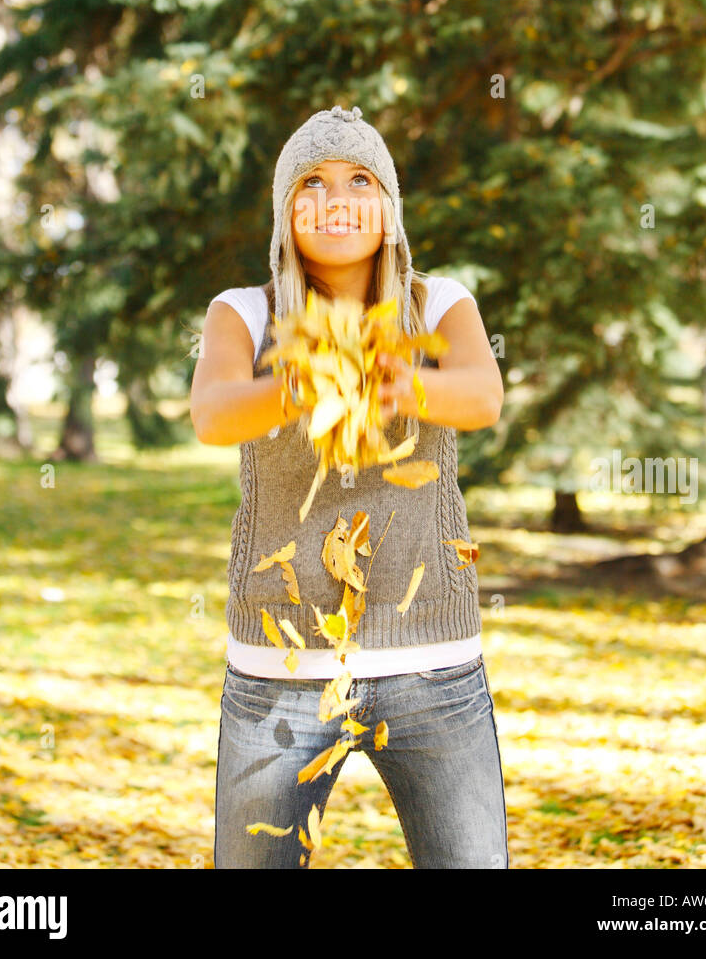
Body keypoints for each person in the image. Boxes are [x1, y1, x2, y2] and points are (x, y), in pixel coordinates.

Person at [190, 104, 508, 869]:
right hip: (280, 669)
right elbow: (213, 414)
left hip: (431, 656)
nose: (337, 200)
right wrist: (298, 383)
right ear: (283, 213)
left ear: (389, 207)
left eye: (360, 178)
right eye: (313, 183)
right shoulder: (245, 313)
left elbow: (483, 397)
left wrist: (408, 385)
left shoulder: (440, 304)